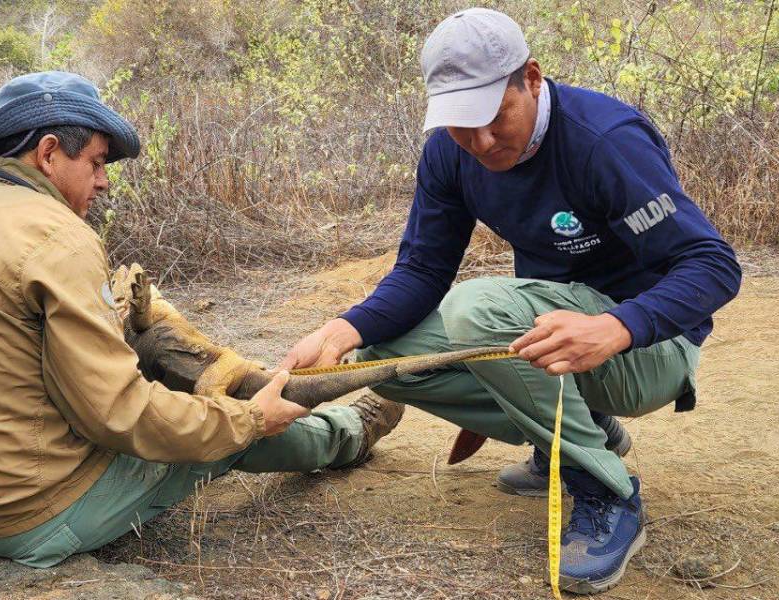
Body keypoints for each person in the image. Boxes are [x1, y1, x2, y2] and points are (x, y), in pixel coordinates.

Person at [281, 9, 741, 594]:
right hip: (558, 342)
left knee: (477, 309)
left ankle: (605, 492)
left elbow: (713, 265)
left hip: (651, 349)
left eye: (494, 116)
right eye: (459, 125)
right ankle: (582, 428)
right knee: (374, 356)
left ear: (530, 77)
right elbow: (423, 269)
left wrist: (617, 326)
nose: (481, 142)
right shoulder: (451, 156)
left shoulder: (603, 140)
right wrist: (342, 329)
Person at [0, 71, 403, 568]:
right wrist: (246, 421)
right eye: (97, 163)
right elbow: (117, 413)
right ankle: (347, 434)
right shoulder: (56, 236)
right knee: (233, 425)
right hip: (31, 515)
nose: (103, 182)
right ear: (50, 153)